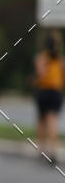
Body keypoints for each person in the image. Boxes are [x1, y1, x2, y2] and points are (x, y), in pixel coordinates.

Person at [33, 32, 65, 164]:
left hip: (44, 91)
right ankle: (53, 150)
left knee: (42, 121)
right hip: (56, 92)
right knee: (53, 121)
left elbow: (40, 74)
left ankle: (42, 150)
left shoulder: (41, 58)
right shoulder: (60, 60)